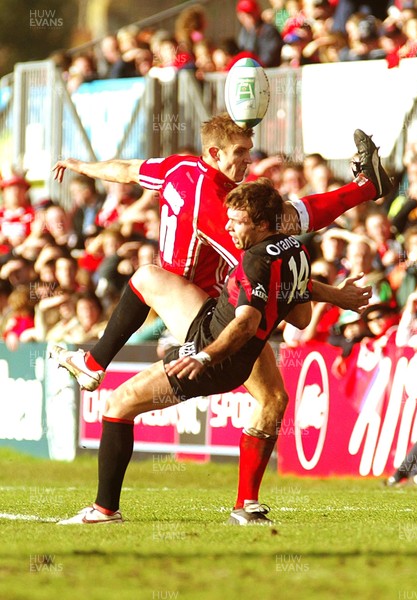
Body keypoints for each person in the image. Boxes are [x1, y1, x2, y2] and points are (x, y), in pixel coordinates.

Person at [51, 117, 390, 521]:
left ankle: (94, 374)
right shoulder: (221, 207)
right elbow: (291, 236)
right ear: (215, 154)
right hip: (199, 307)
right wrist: (357, 199)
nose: (249, 160)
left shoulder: (177, 168)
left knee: (266, 397)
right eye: (241, 153)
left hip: (211, 324)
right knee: (151, 278)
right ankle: (94, 366)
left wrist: (81, 166)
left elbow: (124, 169)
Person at [51, 179, 313, 524]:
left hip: (213, 349)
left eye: (236, 222)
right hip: (211, 322)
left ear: (262, 224)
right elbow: (301, 316)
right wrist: (337, 296)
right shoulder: (295, 249)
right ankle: (246, 505)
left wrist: (205, 356)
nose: (228, 227)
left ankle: (104, 510)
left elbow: (246, 323)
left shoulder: (254, 260)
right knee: (147, 277)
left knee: (117, 405)